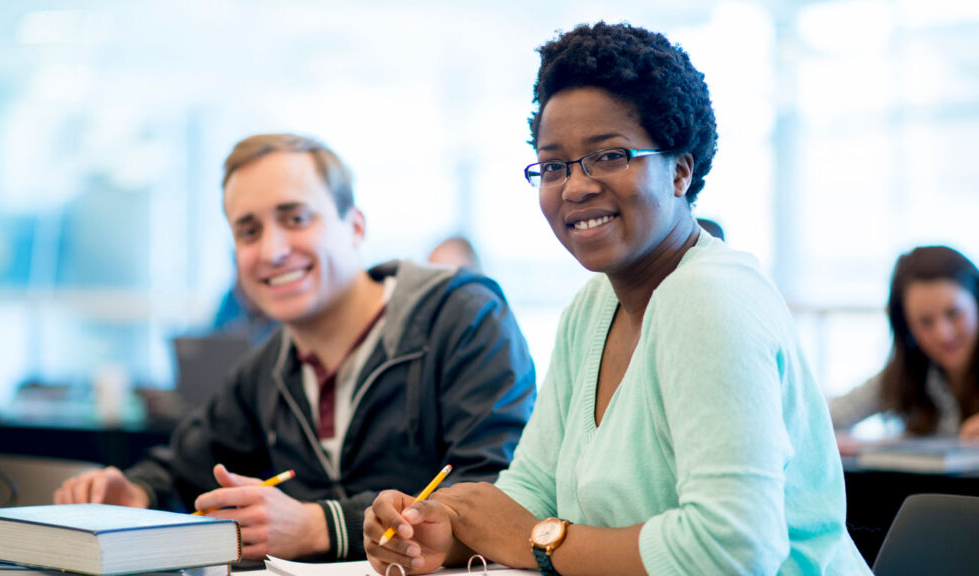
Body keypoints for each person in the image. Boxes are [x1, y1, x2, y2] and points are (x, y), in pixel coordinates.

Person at [365, 22, 870, 575]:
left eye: (609, 155)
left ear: (680, 172)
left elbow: (732, 548)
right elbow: (532, 492)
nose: (575, 186)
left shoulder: (710, 297)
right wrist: (445, 532)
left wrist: (533, 539)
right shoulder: (592, 308)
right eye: (553, 166)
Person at [54, 133, 537, 562]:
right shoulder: (267, 365)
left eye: (296, 218)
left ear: (355, 226)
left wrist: (321, 526)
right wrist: (139, 494)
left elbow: (499, 487)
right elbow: (186, 468)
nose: (272, 251)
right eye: (249, 231)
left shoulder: (462, 317)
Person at [829, 245, 979, 440]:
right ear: (907, 326)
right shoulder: (904, 374)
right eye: (925, 322)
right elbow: (823, 416)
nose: (943, 334)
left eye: (954, 313)